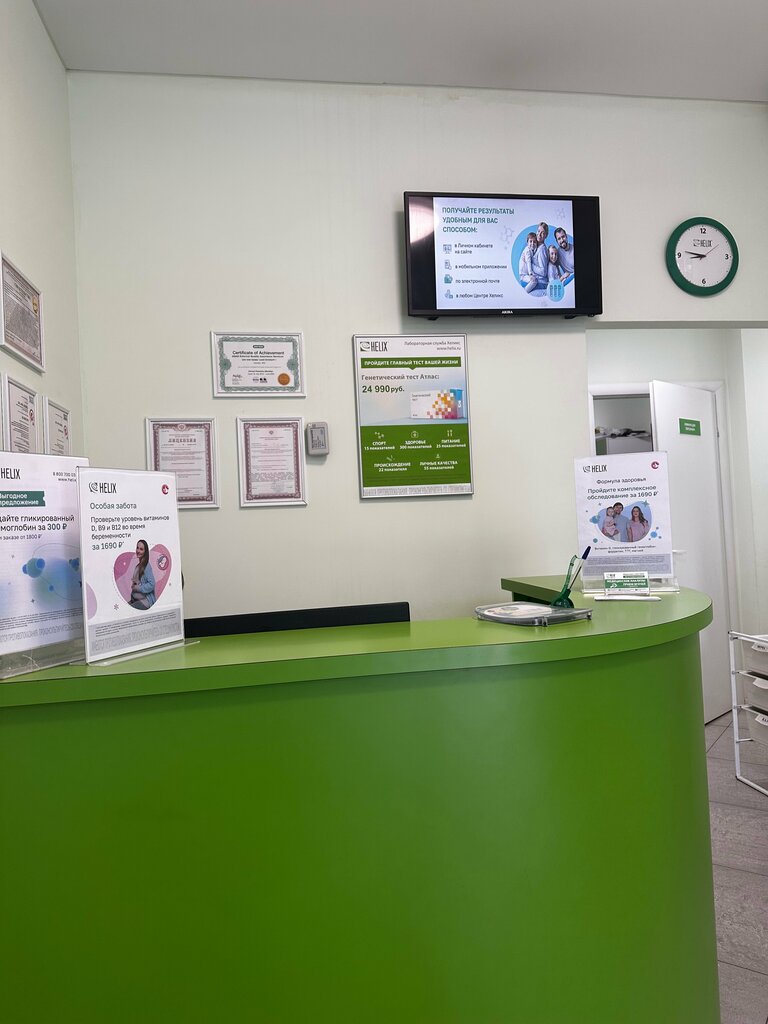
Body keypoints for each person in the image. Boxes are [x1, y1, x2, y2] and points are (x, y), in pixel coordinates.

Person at [129, 539, 156, 609]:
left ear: (145, 552)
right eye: (137, 548)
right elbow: (137, 583)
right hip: (135, 599)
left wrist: (138, 588)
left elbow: (152, 584)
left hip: (145, 601)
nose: (138, 551)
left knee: (126, 611)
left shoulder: (146, 566)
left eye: (141, 549)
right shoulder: (137, 567)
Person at [531, 222, 550, 289]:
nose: (539, 234)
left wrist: (529, 264)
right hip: (537, 282)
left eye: (542, 233)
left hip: (541, 284)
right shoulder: (536, 247)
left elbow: (543, 272)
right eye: (538, 231)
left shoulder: (542, 249)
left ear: (546, 236)